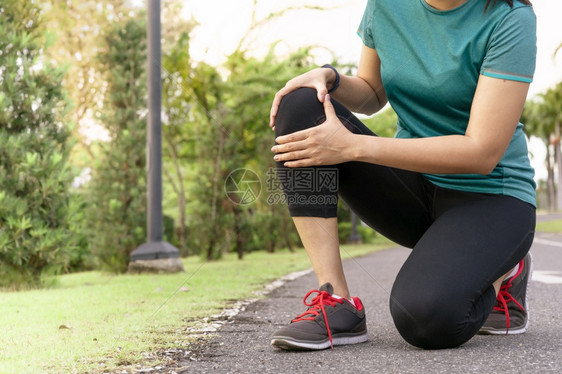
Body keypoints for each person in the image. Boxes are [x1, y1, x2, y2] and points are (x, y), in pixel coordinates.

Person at [268, 0, 536, 350]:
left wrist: (352, 147)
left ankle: (504, 270)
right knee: (302, 103)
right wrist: (330, 78)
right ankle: (335, 300)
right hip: (413, 187)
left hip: (492, 198)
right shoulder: (387, 4)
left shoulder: (510, 17)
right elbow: (371, 91)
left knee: (425, 318)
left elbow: (481, 152)